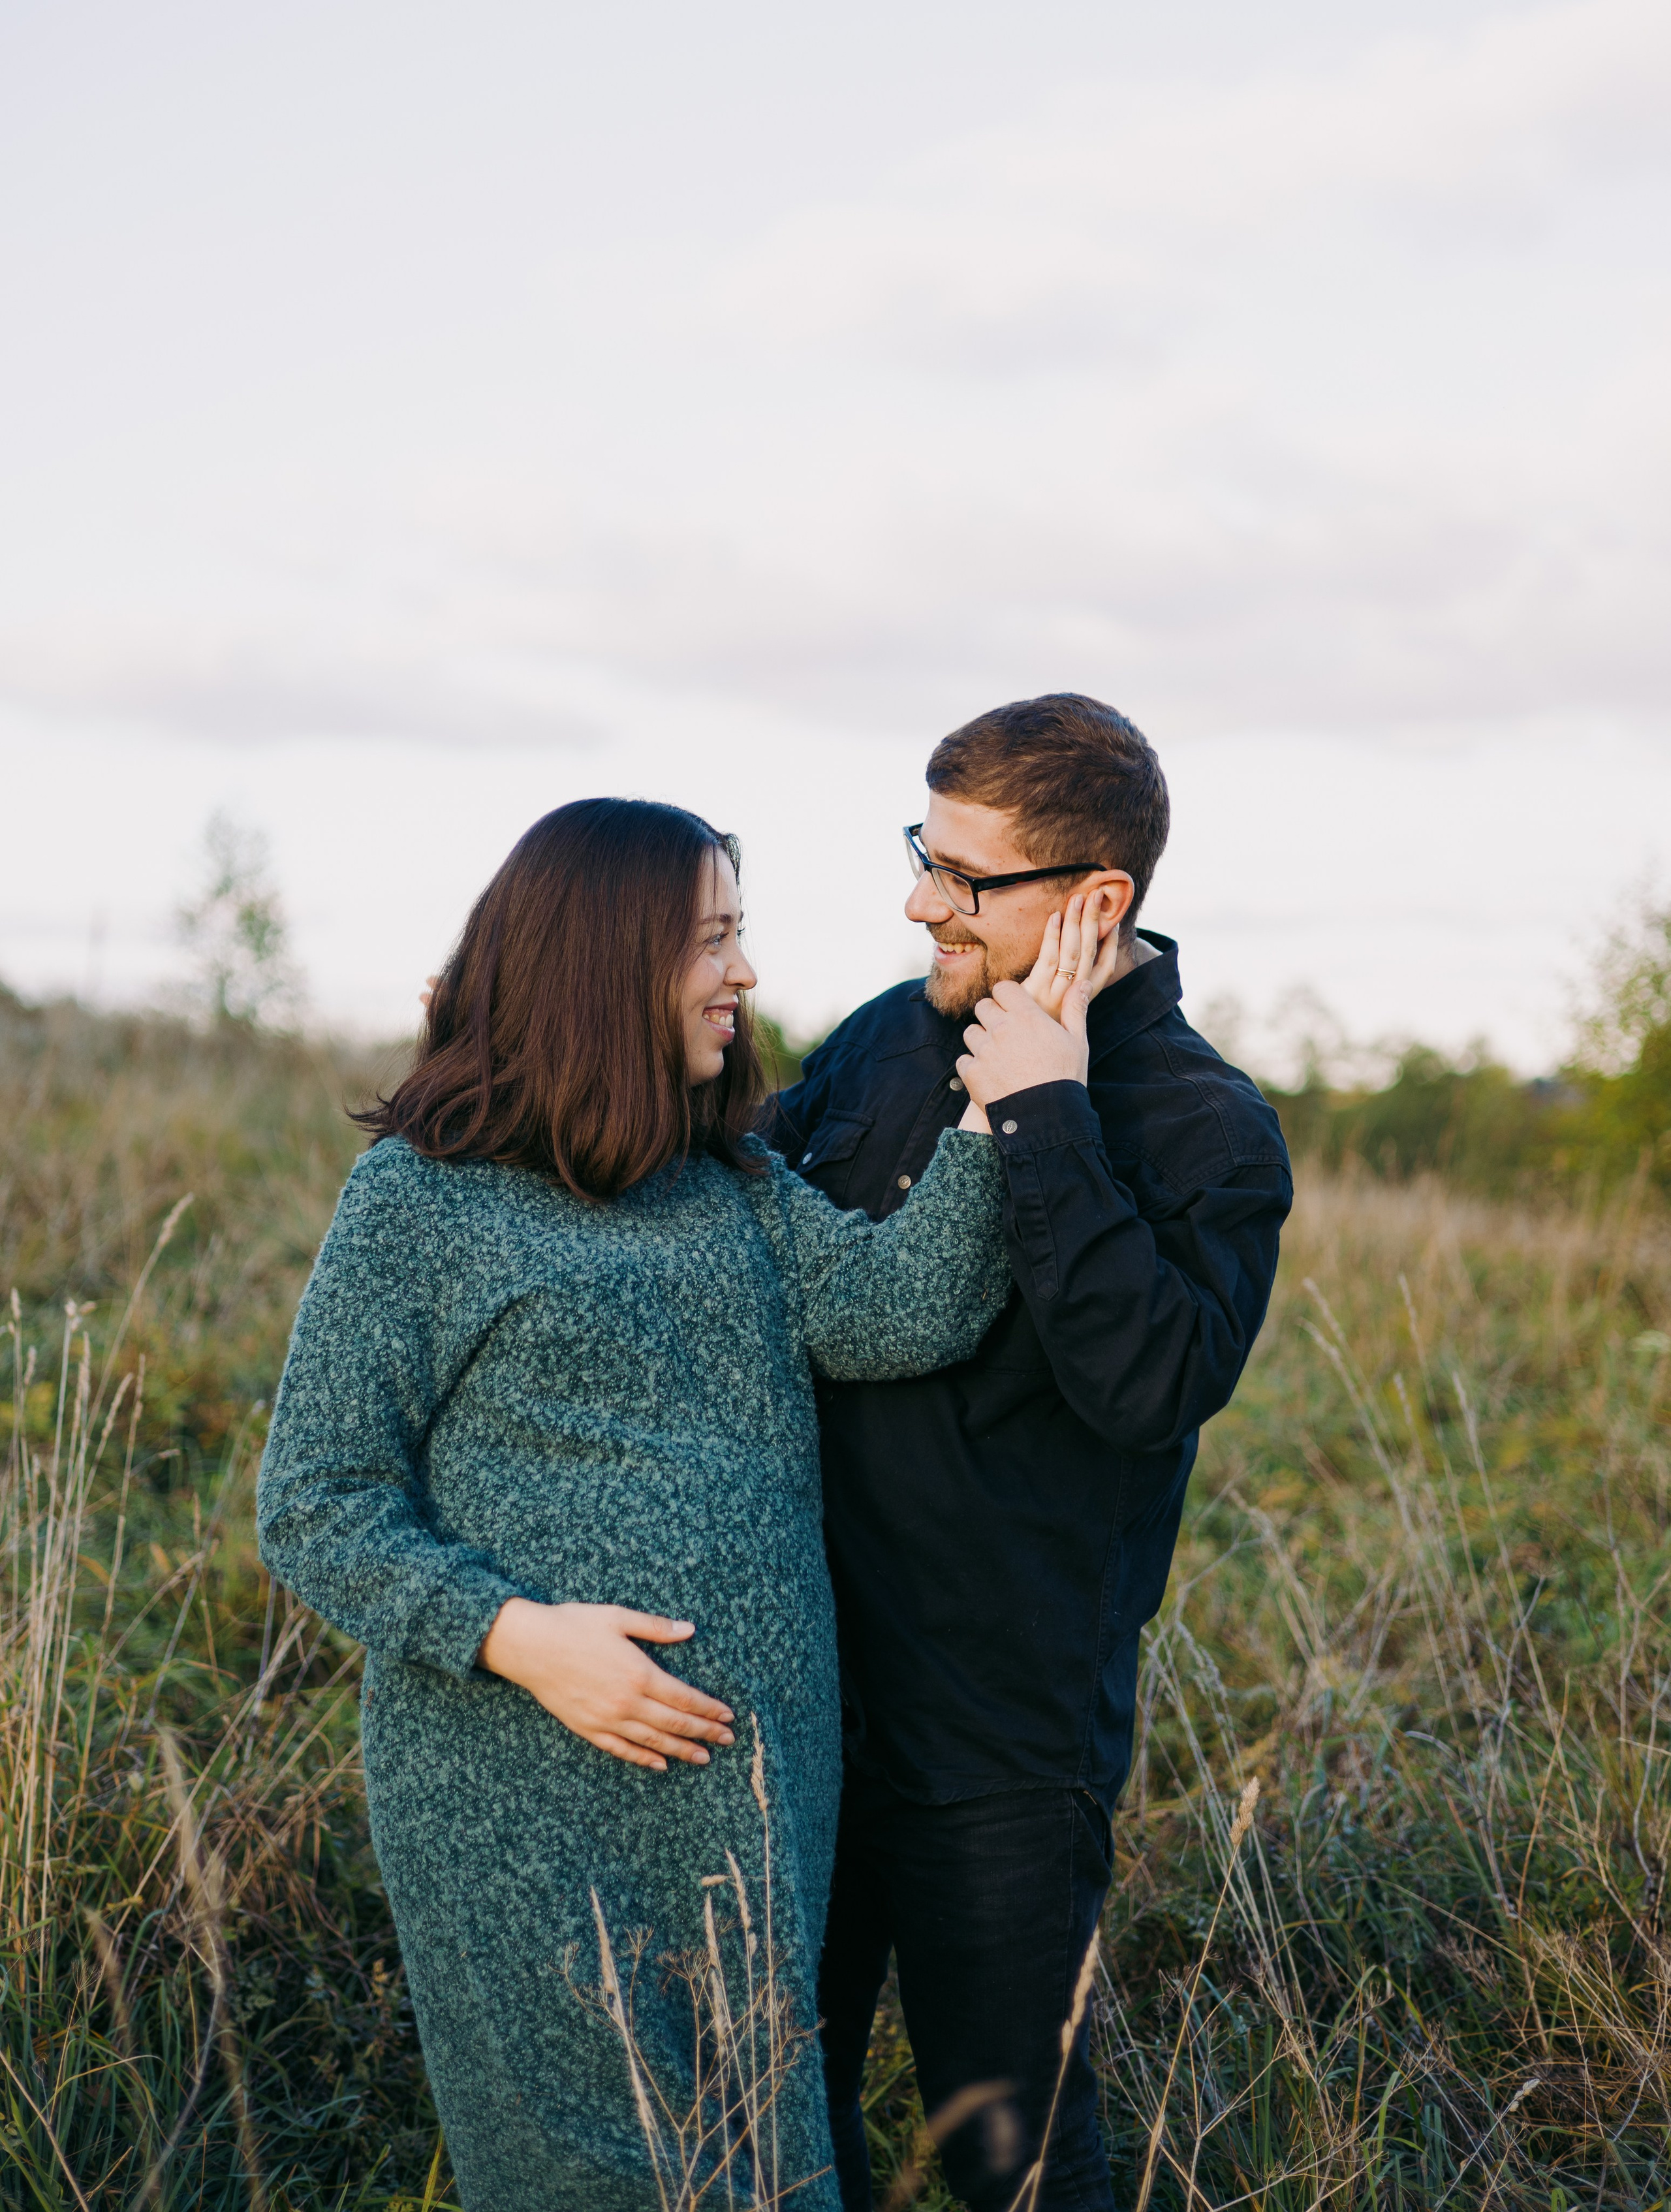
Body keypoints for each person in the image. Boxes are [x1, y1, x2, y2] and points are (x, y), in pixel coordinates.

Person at [257, 796, 1113, 2212]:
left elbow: (903, 1313)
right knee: (587, 2172)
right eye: (713, 939)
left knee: (757, 2166)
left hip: (755, 1802)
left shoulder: (728, 1180)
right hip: (521, 1784)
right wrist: (518, 1635)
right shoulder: (420, 1200)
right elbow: (316, 1501)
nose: (745, 974)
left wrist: (994, 1109)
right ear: (607, 961)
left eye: (738, 936)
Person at [764, 694, 1292, 2211]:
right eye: (921, 853)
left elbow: (1148, 1381)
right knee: (772, 2111)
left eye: (962, 876)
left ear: (1094, 899)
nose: (919, 897)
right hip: (794, 1691)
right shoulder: (879, 1036)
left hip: (1000, 1740)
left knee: (1013, 2152)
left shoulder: (1203, 1128)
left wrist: (1044, 1111)